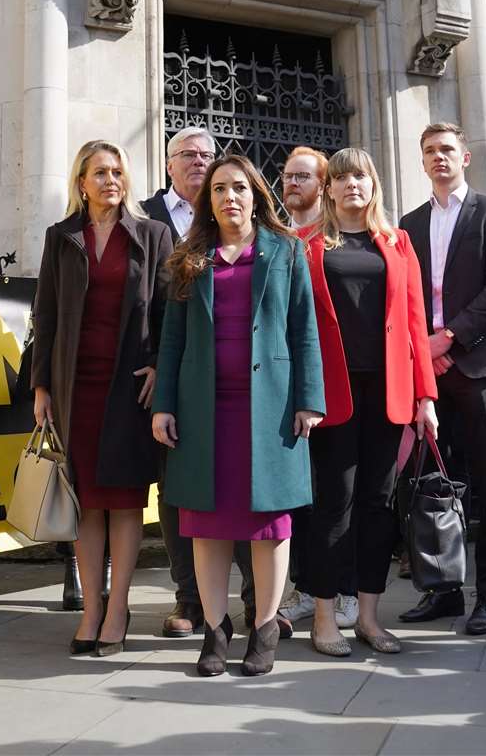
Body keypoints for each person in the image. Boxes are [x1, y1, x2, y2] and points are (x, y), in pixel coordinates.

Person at [152, 155, 325, 677]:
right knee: (206, 524)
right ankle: (214, 628)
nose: (229, 197)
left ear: (255, 196)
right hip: (204, 412)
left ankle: (265, 625)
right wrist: (163, 403)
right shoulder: (190, 257)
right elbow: (173, 339)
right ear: (208, 201)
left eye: (239, 188)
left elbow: (304, 330)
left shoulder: (287, 251)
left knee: (269, 524)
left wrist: (308, 399)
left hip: (269, 410)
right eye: (219, 189)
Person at [31, 141, 173, 657]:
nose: (110, 179)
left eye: (117, 171)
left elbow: (167, 309)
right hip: (75, 385)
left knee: (124, 500)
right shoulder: (61, 237)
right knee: (87, 501)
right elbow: (44, 314)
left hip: (130, 385)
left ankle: (119, 609)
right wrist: (41, 386)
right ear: (82, 182)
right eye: (100, 172)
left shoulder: (154, 234)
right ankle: (92, 608)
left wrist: (161, 363)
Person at [298, 148, 436, 657]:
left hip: (389, 393)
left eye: (360, 175)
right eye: (341, 177)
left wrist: (426, 396)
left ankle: (370, 617)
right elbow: (296, 327)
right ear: (327, 189)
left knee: (378, 507)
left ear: (373, 184)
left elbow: (417, 326)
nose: (351, 183)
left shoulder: (398, 243)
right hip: (331, 394)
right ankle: (323, 616)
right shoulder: (306, 244)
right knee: (333, 506)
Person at [397, 123, 486, 635]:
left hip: (479, 366)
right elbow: (404, 293)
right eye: (429, 151)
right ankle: (442, 589)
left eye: (447, 149)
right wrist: (425, 349)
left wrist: (449, 339)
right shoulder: (409, 222)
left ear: (465, 157)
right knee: (427, 484)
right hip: (428, 370)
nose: (438, 157)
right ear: (422, 161)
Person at [140, 127, 258, 637]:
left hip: (237, 384)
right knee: (179, 492)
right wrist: (154, 365)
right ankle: (190, 601)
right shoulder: (143, 215)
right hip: (172, 378)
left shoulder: (229, 222)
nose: (198, 162)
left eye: (206, 156)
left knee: (248, 487)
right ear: (169, 163)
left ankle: (257, 603)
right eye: (187, 155)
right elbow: (139, 300)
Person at [274, 145, 359, 633]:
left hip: (337, 386)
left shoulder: (335, 241)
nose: (293, 183)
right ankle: (305, 587)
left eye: (304, 175)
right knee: (300, 497)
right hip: (289, 391)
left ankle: (343, 590)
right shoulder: (277, 236)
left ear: (323, 183)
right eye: (288, 175)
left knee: (337, 495)